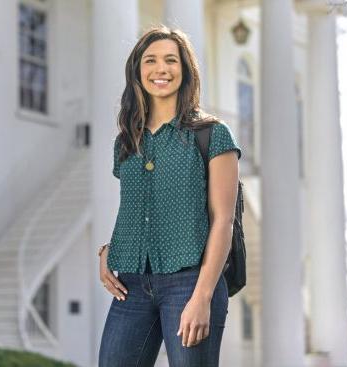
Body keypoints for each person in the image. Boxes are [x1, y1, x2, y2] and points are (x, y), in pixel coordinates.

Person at [97, 25, 241, 366]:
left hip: (190, 281)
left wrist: (203, 295)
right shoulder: (126, 142)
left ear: (185, 70)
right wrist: (108, 250)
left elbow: (224, 221)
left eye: (170, 60)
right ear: (137, 72)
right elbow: (137, 210)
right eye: (150, 60)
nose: (161, 69)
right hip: (130, 284)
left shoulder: (212, 135)